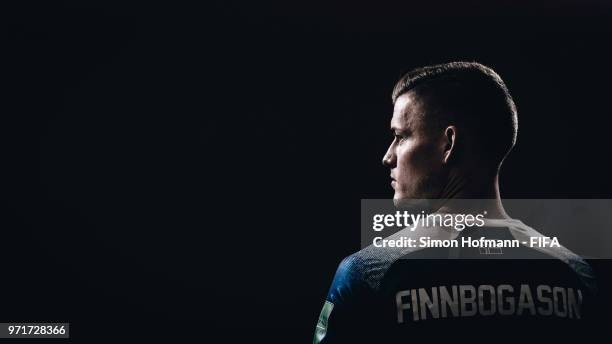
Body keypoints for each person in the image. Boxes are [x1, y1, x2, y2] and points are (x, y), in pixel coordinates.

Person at [314, 62, 598, 344]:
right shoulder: (575, 274)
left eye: (400, 136)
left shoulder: (369, 274)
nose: (388, 157)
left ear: (448, 144)